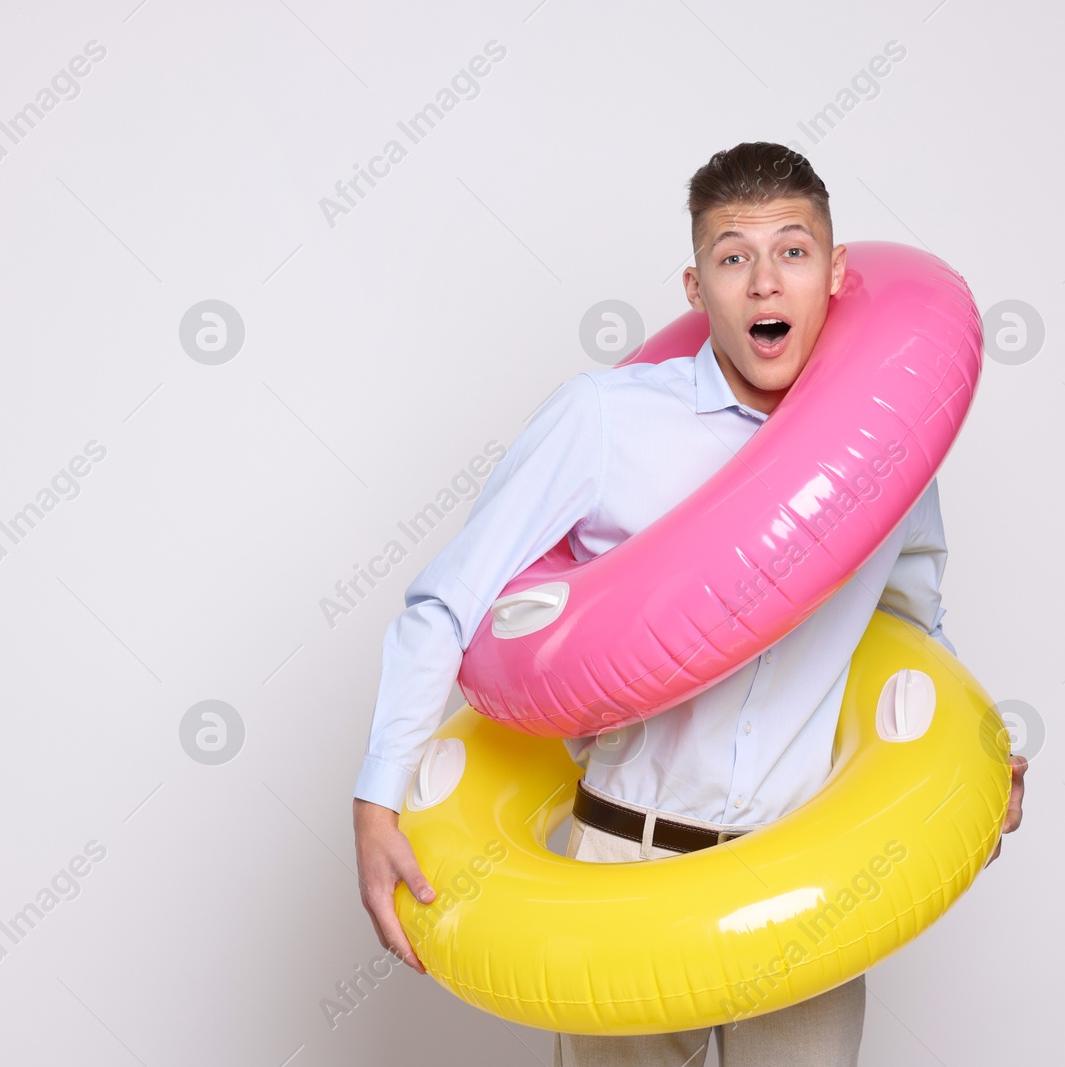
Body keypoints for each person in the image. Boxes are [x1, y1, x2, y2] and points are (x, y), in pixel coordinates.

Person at [351, 141, 1028, 1066]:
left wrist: (972, 762)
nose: (763, 284)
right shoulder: (609, 419)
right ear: (694, 283)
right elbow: (448, 602)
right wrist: (377, 802)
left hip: (805, 887)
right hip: (623, 880)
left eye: (792, 252)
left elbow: (909, 633)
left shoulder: (883, 449)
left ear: (835, 274)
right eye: (732, 255)